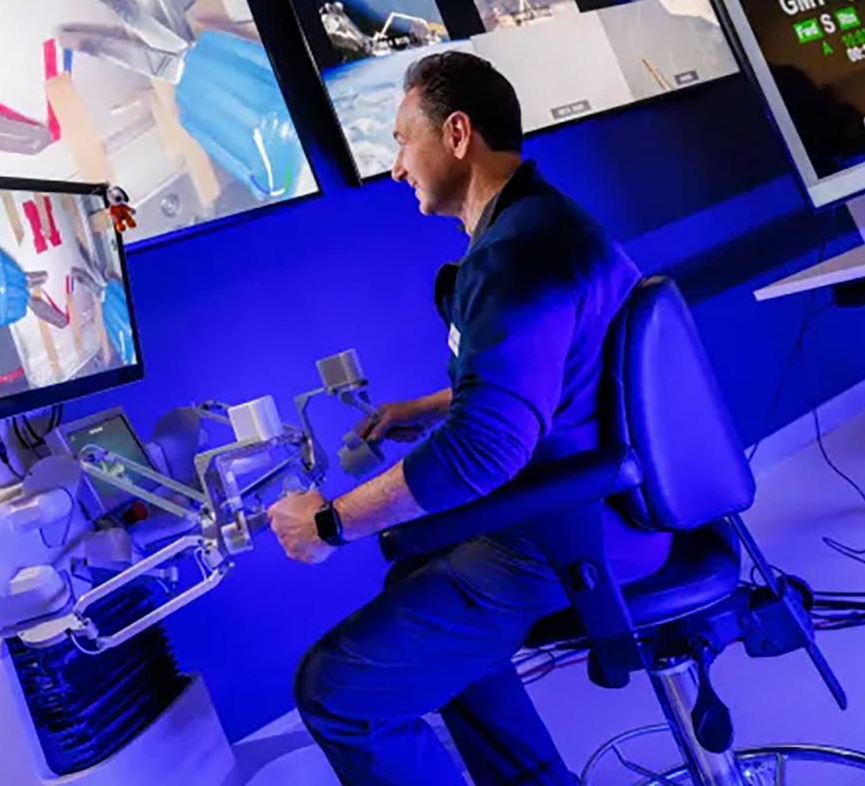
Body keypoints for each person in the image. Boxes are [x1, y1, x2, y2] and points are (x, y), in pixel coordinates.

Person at [267, 51, 672, 785]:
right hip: (614, 506)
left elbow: (485, 449)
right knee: (414, 574)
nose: (397, 168)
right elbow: (563, 376)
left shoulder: (513, 258)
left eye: (402, 141)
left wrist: (328, 524)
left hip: (571, 534)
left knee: (337, 691)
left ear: (456, 134)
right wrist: (425, 409)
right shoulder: (548, 226)